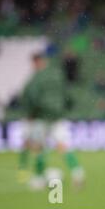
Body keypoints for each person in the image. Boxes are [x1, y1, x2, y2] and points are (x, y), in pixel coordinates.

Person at [18, 53, 85, 190]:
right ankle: (77, 172)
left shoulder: (36, 78)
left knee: (38, 147)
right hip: (58, 116)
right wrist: (65, 108)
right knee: (62, 146)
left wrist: (30, 115)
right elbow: (67, 95)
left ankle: (39, 178)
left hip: (41, 117)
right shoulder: (58, 74)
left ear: (35, 62)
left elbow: (32, 97)